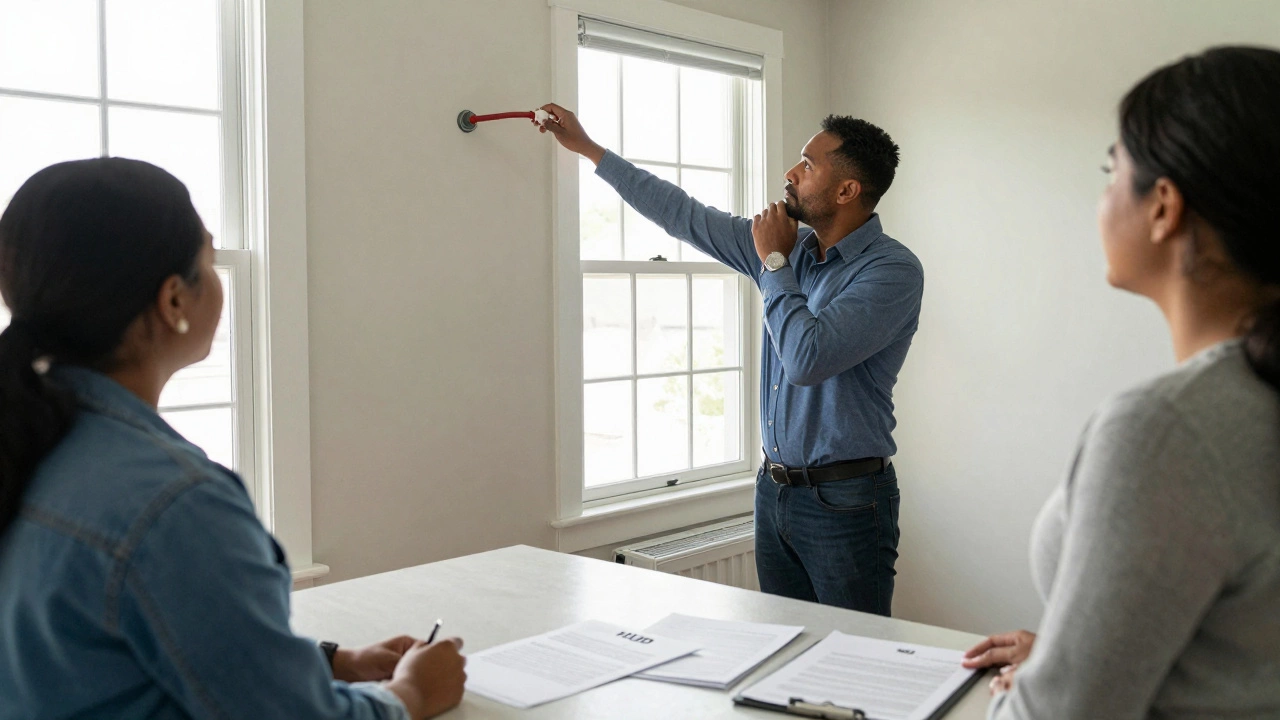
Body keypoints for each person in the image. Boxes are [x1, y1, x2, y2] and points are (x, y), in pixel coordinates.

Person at [0, 158, 466, 719]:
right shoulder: (175, 505)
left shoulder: (26, 442)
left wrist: (328, 663)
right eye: (210, 259)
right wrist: (412, 693)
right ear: (174, 300)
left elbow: (93, 656)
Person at [962, 46, 1280, 718]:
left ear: (1164, 206)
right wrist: (1072, 654)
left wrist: (1031, 692)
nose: (1103, 197)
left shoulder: (1165, 431)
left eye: (1113, 171)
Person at [540, 103, 923, 615]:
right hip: (773, 492)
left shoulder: (891, 270)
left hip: (848, 501)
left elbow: (806, 359)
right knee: (786, 650)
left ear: (847, 190)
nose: (791, 173)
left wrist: (773, 262)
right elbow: (684, 214)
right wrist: (588, 149)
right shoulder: (792, 249)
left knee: (857, 661)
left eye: (808, 165)